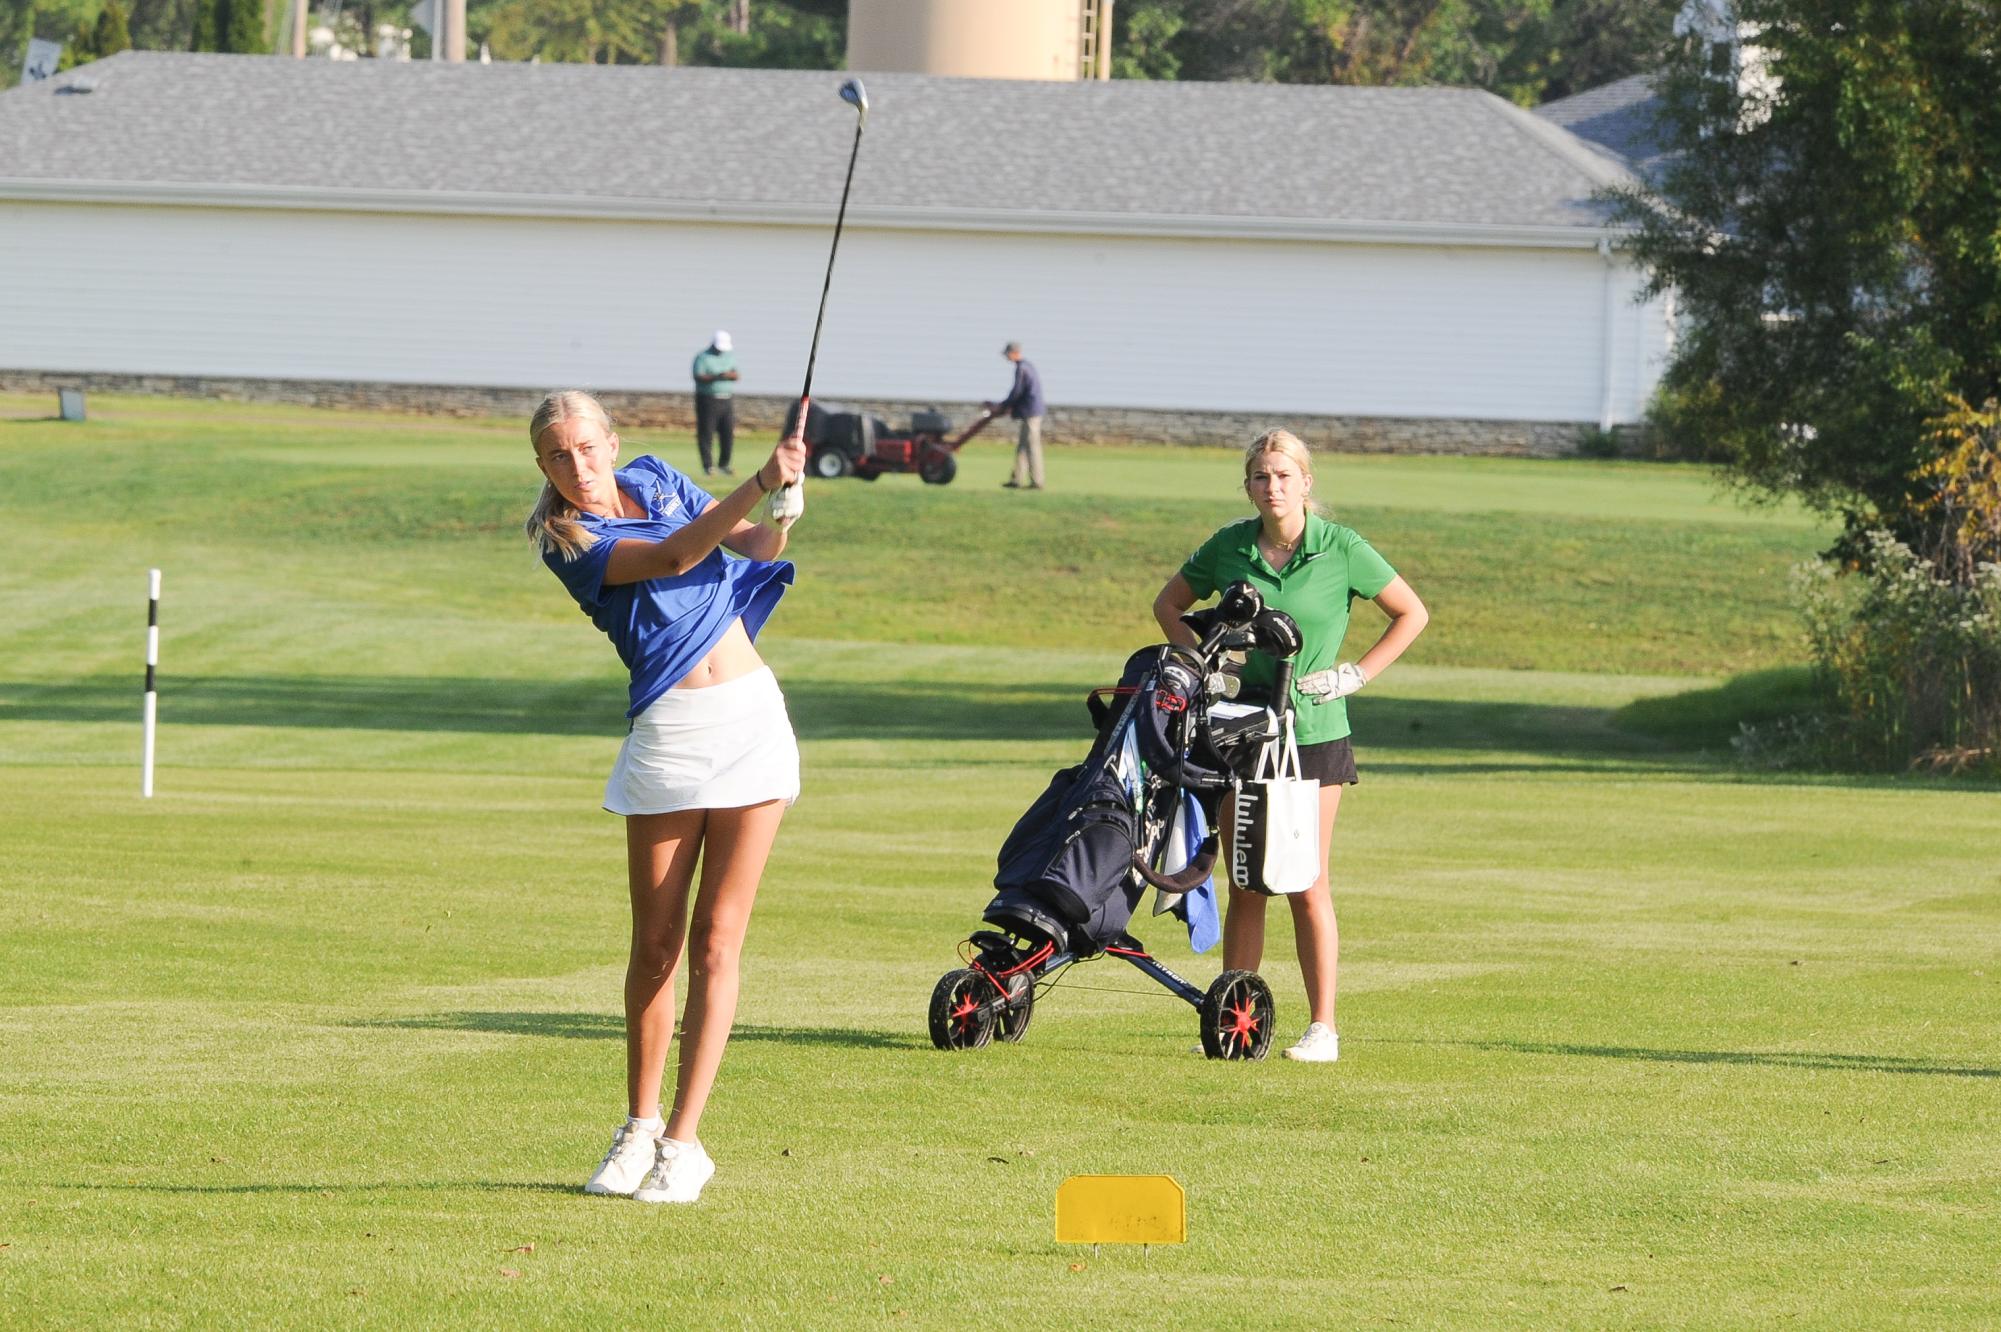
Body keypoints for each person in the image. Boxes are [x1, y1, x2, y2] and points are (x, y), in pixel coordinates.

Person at [525, 389, 807, 1202]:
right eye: (558, 455)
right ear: (542, 466)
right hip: (671, 736)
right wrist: (757, 480)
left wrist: (783, 502)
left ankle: (684, 1143)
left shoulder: (656, 479)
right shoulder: (568, 539)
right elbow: (679, 557)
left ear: (612, 443)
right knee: (656, 947)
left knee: (719, 941)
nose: (577, 466)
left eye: (587, 447)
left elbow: (752, 545)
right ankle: (637, 1127)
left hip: (752, 722)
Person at [1152, 429, 1428, 1063]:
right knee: (1246, 879)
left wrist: (1355, 674)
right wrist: (1204, 663)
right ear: (1248, 487)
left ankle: (1322, 1028)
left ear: (1306, 482)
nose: (1271, 487)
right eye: (1260, 477)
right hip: (1239, 731)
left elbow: (1410, 613)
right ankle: (1234, 1021)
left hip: (1313, 734)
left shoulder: (1343, 549)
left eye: (1283, 475)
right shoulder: (1229, 546)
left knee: (1306, 881)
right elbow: (1169, 602)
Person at [986, 341, 1046, 491]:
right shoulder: (1027, 366)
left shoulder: (1022, 368)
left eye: (1007, 354)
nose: (1006, 357)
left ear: (1013, 353)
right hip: (1029, 411)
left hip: (1031, 412)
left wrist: (1003, 405)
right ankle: (1016, 479)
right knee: (1022, 446)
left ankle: (1037, 482)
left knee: (1032, 446)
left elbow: (1017, 392)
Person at [691, 330, 739, 477]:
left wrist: (728, 375)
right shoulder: (702, 357)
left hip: (726, 398)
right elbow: (698, 376)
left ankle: (724, 464)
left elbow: (736, 374)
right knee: (707, 432)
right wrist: (717, 376)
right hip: (707, 399)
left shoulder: (729, 356)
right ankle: (708, 466)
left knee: (728, 432)